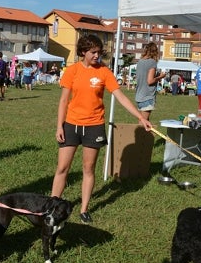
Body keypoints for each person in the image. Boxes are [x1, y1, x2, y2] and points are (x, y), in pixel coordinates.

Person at [51, 35, 152, 224]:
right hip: (71, 125)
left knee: (88, 169)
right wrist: (59, 126)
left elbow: (120, 97)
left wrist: (140, 117)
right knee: (62, 167)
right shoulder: (72, 71)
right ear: (83, 52)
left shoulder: (104, 72)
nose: (97, 55)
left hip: (94, 126)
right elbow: (64, 100)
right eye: (93, 52)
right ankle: (52, 206)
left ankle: (83, 209)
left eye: (99, 52)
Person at [134, 42, 166, 120]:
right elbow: (150, 81)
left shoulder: (140, 61)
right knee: (143, 123)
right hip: (147, 96)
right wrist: (160, 77)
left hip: (139, 95)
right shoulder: (152, 62)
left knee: (143, 122)